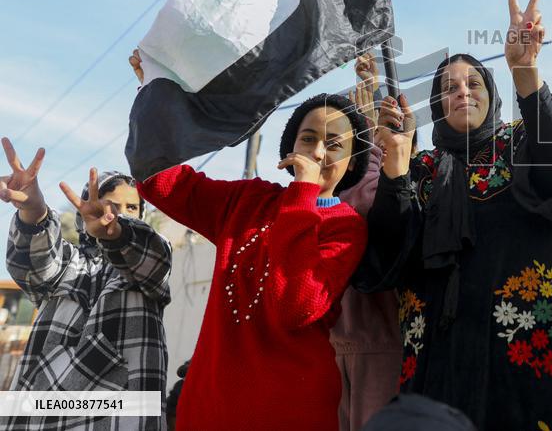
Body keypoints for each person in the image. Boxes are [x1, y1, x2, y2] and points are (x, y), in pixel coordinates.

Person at [354, 0, 552, 430]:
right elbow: (388, 256)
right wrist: (395, 167)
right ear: (437, 105)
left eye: (473, 83)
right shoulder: (420, 167)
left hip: (530, 353)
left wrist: (525, 72)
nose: (462, 92)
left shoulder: (521, 140)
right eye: (449, 88)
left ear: (491, 93)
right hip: (443, 362)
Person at [134, 87, 370, 430]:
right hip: (208, 409)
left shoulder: (346, 228)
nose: (318, 152)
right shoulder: (247, 200)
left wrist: (303, 194)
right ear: (291, 148)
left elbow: (294, 306)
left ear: (352, 161)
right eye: (308, 139)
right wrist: (154, 93)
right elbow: (157, 179)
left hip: (290, 414)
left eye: (334, 145)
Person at [1, 139, 171, 431]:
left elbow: (152, 258)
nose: (120, 213)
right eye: (111, 205)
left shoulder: (148, 256)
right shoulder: (70, 261)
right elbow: (34, 265)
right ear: (84, 210)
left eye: (132, 207)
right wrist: (34, 212)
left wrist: (118, 234)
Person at [332, 53, 403, 430]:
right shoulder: (338, 186)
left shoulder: (401, 185)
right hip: (335, 348)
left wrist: (369, 141)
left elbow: (369, 204)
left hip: (381, 348)